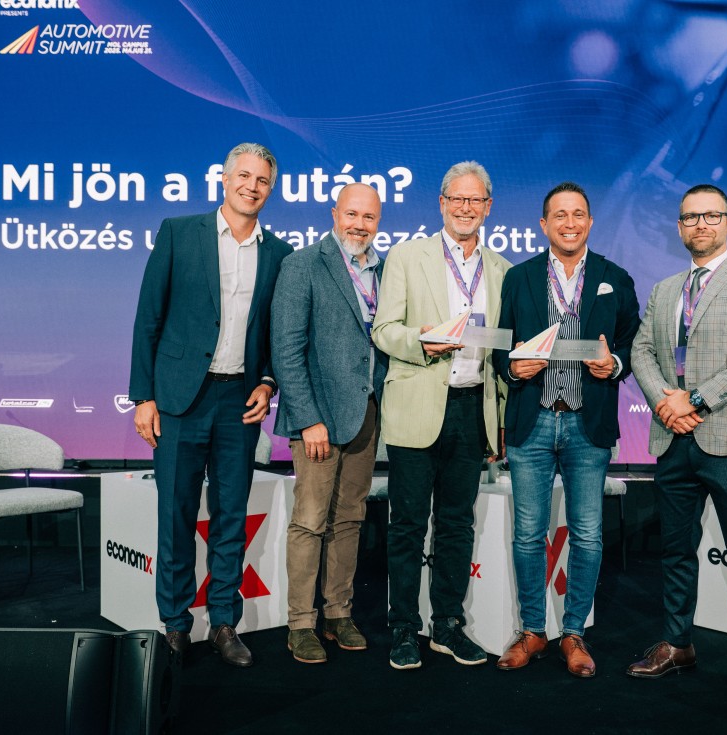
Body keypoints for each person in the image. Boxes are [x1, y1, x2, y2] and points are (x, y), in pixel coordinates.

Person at [129, 142, 292, 667]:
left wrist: (268, 383)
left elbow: (277, 332)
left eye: (262, 180)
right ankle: (175, 624)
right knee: (175, 514)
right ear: (224, 180)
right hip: (180, 399)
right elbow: (148, 318)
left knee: (230, 516)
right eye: (243, 176)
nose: (252, 186)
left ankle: (224, 621)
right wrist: (144, 397)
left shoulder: (279, 253)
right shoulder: (179, 233)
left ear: (271, 188)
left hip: (238, 402)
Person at [628, 183, 727, 709]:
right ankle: (678, 644)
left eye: (711, 216)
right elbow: (642, 351)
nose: (701, 224)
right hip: (673, 439)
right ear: (679, 226)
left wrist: (695, 399)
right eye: (690, 217)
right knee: (676, 550)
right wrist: (665, 403)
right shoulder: (665, 289)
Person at [493, 181, 640, 678]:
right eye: (560, 215)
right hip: (531, 421)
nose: (569, 223)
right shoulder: (519, 277)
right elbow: (501, 345)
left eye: (578, 214)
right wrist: (513, 368)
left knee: (588, 535)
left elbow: (633, 342)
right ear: (544, 224)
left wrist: (614, 364)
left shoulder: (614, 278)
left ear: (590, 222)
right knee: (528, 535)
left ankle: (574, 632)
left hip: (587, 422)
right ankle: (533, 630)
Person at [372, 161, 511, 670]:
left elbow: (502, 351)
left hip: (473, 410)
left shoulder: (503, 270)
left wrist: (500, 419)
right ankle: (404, 628)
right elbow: (384, 330)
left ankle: (447, 625)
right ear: (441, 203)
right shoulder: (407, 256)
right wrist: (423, 341)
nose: (465, 208)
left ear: (488, 207)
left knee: (456, 524)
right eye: (457, 199)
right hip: (416, 405)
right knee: (408, 524)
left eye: (475, 200)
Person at [271, 183, 386, 664]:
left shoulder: (384, 269)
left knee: (350, 518)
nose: (360, 224)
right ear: (335, 214)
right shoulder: (303, 264)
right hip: (317, 418)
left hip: (366, 413)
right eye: (352, 214)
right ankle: (301, 624)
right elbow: (286, 349)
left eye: (369, 217)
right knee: (310, 521)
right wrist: (308, 419)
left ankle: (339, 613)